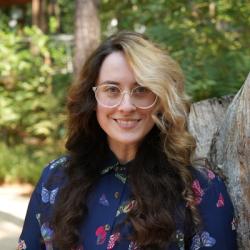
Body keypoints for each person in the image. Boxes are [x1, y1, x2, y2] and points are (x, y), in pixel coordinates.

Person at [17, 31, 237, 250]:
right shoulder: (54, 179)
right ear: (92, 99)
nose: (126, 106)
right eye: (111, 90)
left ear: (160, 99)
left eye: (141, 90)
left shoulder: (202, 189)